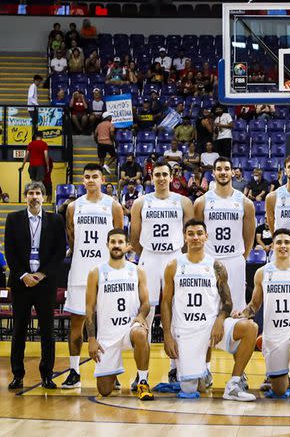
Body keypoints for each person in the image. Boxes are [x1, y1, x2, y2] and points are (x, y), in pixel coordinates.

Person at [160, 220, 258, 401]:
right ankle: (199, 372)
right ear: (184, 237)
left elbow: (227, 302)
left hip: (211, 327)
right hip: (186, 330)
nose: (195, 237)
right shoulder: (173, 265)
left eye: (199, 233)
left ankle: (234, 384)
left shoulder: (216, 266)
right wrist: (167, 334)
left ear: (206, 237)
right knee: (191, 390)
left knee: (250, 328)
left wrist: (220, 320)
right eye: (190, 233)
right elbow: (165, 302)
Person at [235, 228, 290, 402]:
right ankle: (286, 381)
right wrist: (243, 314)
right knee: (279, 391)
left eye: (286, 242)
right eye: (279, 242)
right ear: (273, 246)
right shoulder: (262, 273)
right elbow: (255, 304)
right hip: (274, 334)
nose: (283, 246)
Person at [129, 160, 194, 387]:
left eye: (165, 174)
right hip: (149, 256)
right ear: (151, 177)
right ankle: (141, 373)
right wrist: (146, 254)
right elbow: (134, 237)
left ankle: (176, 368)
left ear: (171, 176)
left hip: (174, 256)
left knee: (177, 311)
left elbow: (190, 235)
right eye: (157, 174)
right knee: (145, 312)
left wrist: (179, 256)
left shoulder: (183, 202)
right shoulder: (140, 202)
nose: (161, 178)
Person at [61, 164, 124, 388]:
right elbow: (72, 238)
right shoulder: (73, 207)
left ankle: (111, 371)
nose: (90, 180)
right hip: (80, 272)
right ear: (82, 180)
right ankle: (74, 371)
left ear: (102, 179)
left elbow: (119, 240)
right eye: (87, 177)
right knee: (76, 322)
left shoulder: (113, 206)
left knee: (108, 326)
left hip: (107, 273)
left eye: (95, 177)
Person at [4, 181, 66, 390]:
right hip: (21, 283)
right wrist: (24, 275)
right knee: (18, 330)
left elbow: (59, 253)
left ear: (44, 198)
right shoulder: (13, 219)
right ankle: (17, 375)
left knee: (47, 331)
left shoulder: (56, 220)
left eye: (38, 193)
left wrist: (41, 274)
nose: (34, 196)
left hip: (45, 283)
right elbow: (10, 252)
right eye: (30, 193)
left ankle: (47, 375)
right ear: (25, 196)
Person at [85, 229, 154, 400]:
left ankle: (143, 382)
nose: (116, 245)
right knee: (104, 391)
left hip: (129, 329)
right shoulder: (96, 272)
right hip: (107, 336)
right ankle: (112, 374)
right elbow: (89, 308)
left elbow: (146, 302)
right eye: (113, 242)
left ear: (126, 245)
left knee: (140, 333)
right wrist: (92, 339)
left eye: (120, 242)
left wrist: (141, 316)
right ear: (107, 244)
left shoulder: (137, 271)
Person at [194, 158, 255, 313]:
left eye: (226, 169)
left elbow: (249, 236)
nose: (223, 172)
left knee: (236, 308)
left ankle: (234, 338)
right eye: (219, 169)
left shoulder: (245, 202)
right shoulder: (202, 202)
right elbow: (197, 234)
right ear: (213, 173)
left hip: (234, 259)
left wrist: (241, 256)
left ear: (232, 172)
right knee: (209, 308)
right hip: (210, 259)